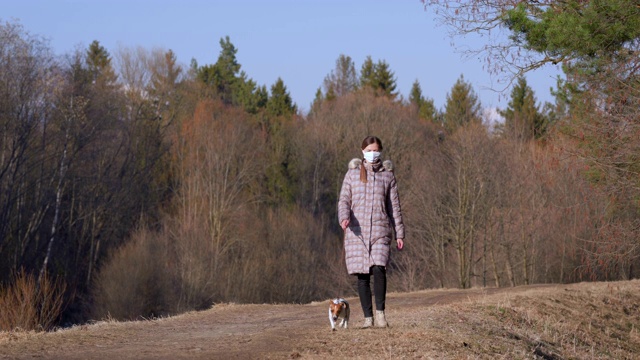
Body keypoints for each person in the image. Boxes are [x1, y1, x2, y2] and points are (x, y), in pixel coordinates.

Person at [338, 135, 405, 328]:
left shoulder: (388, 176)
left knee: (379, 268)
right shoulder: (351, 174)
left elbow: (394, 208)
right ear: (362, 152)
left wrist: (399, 233)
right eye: (368, 151)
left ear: (381, 151)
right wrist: (344, 217)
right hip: (356, 232)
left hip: (380, 231)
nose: (372, 154)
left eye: (375, 150)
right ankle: (368, 318)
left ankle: (381, 314)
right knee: (363, 275)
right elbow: (344, 200)